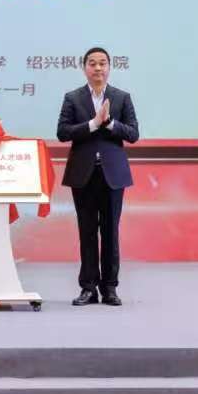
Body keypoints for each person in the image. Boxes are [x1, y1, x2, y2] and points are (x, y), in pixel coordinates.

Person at [56, 47, 139, 306]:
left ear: (109, 67)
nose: (98, 68)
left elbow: (133, 134)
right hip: (83, 174)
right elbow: (62, 132)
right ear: (84, 68)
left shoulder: (121, 97)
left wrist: (110, 123)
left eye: (102, 63)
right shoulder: (73, 98)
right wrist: (92, 124)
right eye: (92, 63)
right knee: (87, 231)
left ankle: (110, 288)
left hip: (113, 174)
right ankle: (88, 288)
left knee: (110, 232)